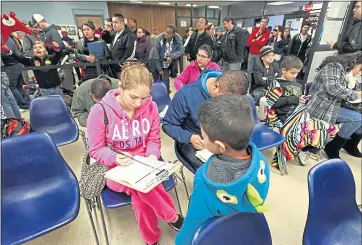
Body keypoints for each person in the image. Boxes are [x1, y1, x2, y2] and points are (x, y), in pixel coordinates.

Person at [87, 62, 184, 245]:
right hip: (116, 169)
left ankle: (151, 239)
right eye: (133, 97)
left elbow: (154, 139)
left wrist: (153, 156)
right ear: (120, 87)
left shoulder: (151, 107)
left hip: (145, 163)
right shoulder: (99, 112)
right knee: (140, 188)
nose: (138, 103)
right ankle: (172, 217)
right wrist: (114, 157)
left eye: (144, 97)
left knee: (140, 198)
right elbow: (95, 149)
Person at [175, 94, 270, 245]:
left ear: (220, 146)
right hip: (244, 233)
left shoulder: (205, 179)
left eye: (203, 136)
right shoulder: (261, 162)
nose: (202, 139)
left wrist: (180, 241)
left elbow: (194, 221)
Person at [163, 70, 249, 170]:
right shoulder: (186, 94)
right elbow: (168, 125)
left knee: (242, 165)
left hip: (220, 137)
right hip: (194, 139)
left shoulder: (231, 92)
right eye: (226, 101)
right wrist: (190, 137)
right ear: (216, 87)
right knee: (212, 172)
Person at [266, 56, 336, 169]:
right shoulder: (276, 84)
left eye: (297, 73)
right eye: (292, 73)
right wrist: (295, 99)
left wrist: (302, 100)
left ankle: (302, 148)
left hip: (299, 113)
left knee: (325, 129)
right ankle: (290, 151)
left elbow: (298, 101)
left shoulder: (297, 85)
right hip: (284, 116)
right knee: (302, 129)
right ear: (284, 70)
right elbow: (272, 104)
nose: (295, 76)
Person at [306, 52, 362, 159]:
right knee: (357, 119)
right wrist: (357, 94)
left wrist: (355, 90)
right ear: (355, 61)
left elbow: (349, 92)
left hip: (334, 104)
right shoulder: (333, 66)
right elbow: (334, 88)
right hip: (322, 105)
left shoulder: (346, 72)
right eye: (360, 69)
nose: (359, 73)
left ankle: (350, 145)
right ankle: (333, 147)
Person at [149, 24, 184, 92]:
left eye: (169, 33)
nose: (166, 34)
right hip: (155, 60)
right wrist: (159, 69)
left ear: (173, 34)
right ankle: (157, 94)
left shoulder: (177, 38)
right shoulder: (159, 38)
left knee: (166, 79)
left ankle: (166, 93)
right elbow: (156, 55)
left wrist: (172, 56)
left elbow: (181, 50)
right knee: (157, 79)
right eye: (166, 32)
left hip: (166, 61)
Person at [1, 34, 30, 109]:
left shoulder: (3, 37)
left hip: (12, 66)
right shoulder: (9, 37)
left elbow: (7, 54)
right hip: (17, 64)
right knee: (18, 86)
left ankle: (22, 103)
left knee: (11, 87)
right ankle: (26, 101)